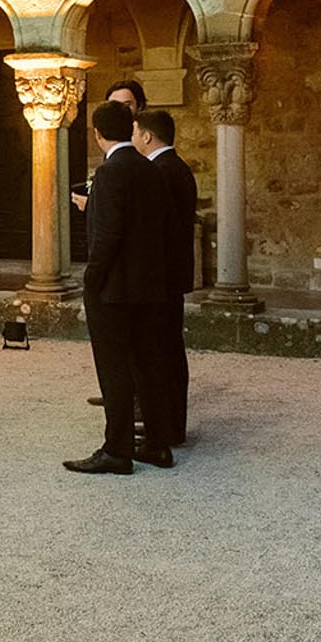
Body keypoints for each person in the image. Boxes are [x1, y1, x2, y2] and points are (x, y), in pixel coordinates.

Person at [64, 100, 173, 475]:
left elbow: (108, 234)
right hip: (149, 286)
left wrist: (92, 278)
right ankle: (158, 443)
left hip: (115, 289)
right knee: (148, 365)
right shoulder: (150, 169)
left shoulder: (111, 172)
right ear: (130, 130)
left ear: (97, 134)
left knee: (114, 370)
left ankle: (118, 449)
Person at [136, 107, 196, 447]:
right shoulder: (176, 168)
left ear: (146, 136)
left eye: (134, 132)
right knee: (169, 351)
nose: (132, 139)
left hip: (161, 278)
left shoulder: (161, 171)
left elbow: (154, 228)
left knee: (160, 353)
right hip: (171, 276)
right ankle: (169, 424)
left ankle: (166, 428)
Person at [73, 81, 150, 214]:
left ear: (140, 106)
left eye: (127, 105)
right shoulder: (110, 148)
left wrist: (91, 206)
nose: (119, 111)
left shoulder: (146, 143)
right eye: (114, 105)